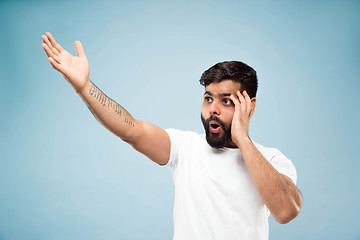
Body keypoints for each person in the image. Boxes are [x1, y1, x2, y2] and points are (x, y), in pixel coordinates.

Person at [41, 32, 302, 240]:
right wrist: (84, 87)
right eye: (208, 98)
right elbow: (130, 129)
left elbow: (286, 211)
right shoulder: (184, 147)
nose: (213, 109)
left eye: (226, 101)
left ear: (250, 106)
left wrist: (243, 139)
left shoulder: (272, 160)